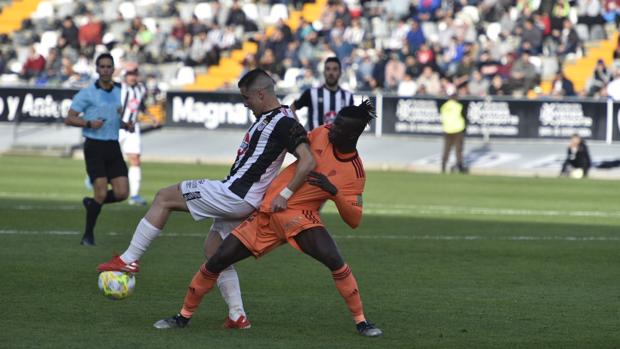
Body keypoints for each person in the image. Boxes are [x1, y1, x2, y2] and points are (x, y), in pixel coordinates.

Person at [98, 68, 316, 329]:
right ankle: (237, 316)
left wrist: (286, 194)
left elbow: (308, 161)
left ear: (260, 94)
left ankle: (128, 260)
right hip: (240, 197)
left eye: (246, 98)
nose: (245, 104)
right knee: (214, 252)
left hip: (234, 195)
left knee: (164, 197)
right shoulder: (274, 117)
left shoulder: (283, 122)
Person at [153, 101, 383, 337]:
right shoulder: (322, 133)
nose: (330, 128)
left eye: (338, 128)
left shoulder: (354, 172)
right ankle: (183, 316)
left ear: (353, 134)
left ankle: (362, 321)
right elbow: (300, 141)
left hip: (301, 217)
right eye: (333, 123)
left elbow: (354, 219)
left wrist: (333, 192)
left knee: (334, 260)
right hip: (268, 213)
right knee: (217, 259)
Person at [64, 53, 133, 246]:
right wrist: (87, 122)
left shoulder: (120, 91)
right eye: (102, 66)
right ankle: (88, 235)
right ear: (97, 69)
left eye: (108, 66)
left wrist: (125, 124)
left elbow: (113, 118)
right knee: (101, 193)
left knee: (122, 193)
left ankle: (92, 203)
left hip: (113, 145)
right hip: (94, 146)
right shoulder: (88, 93)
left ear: (113, 69)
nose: (105, 70)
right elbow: (69, 118)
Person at [118, 65, 160, 206]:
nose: (132, 76)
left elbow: (140, 105)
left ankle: (134, 195)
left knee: (135, 159)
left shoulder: (140, 89)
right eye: (130, 74)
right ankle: (94, 177)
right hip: (116, 127)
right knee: (108, 157)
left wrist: (151, 116)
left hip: (132, 127)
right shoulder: (119, 87)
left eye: (134, 74)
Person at [291, 57, 354, 130]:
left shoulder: (348, 97)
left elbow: (352, 122)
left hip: (340, 141)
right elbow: (292, 108)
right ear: (324, 72)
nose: (331, 73)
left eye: (335, 69)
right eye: (328, 69)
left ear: (340, 73)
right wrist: (300, 131)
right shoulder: (311, 93)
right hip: (315, 140)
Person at [440, 90, 467, 174]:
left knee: (446, 149)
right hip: (457, 130)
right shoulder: (459, 106)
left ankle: (443, 166)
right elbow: (464, 117)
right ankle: (460, 166)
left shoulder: (444, 106)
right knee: (458, 150)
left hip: (447, 130)